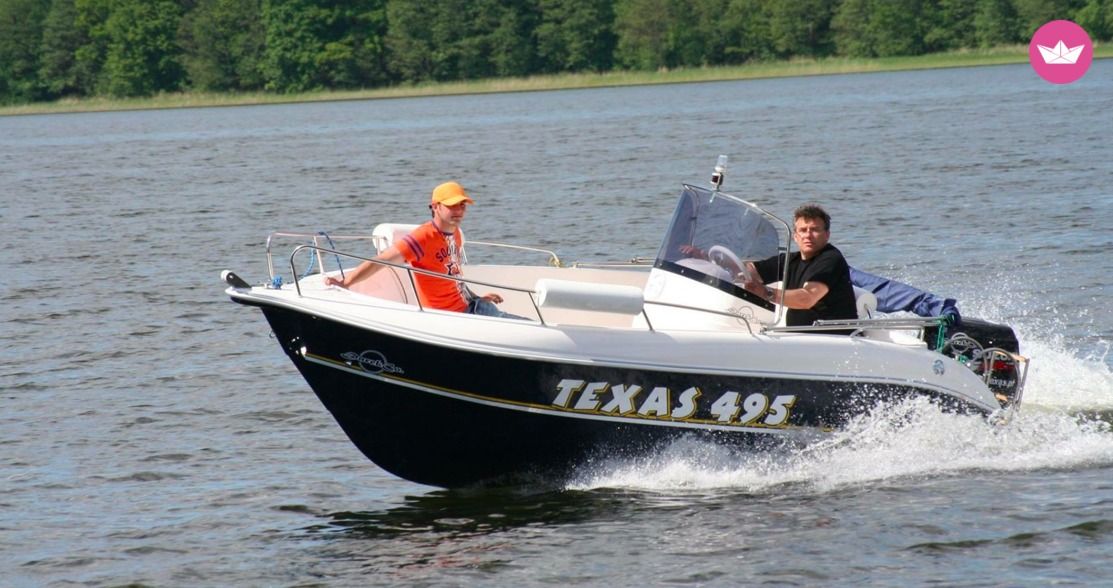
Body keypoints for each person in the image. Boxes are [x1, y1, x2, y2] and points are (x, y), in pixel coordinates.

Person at [325, 181, 517, 318]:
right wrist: (345, 282)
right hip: (456, 318)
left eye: (462, 205)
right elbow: (381, 261)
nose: (459, 211)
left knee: (531, 327)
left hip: (472, 307)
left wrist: (477, 297)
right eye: (452, 206)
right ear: (435, 207)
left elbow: (454, 277)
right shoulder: (423, 238)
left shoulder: (455, 233)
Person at [738, 204, 858, 329]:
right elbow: (751, 270)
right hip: (800, 336)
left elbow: (806, 299)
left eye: (815, 230)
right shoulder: (791, 260)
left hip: (833, 338)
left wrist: (766, 292)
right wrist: (726, 267)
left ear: (827, 235)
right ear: (795, 236)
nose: (808, 235)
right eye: (803, 230)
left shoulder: (831, 259)